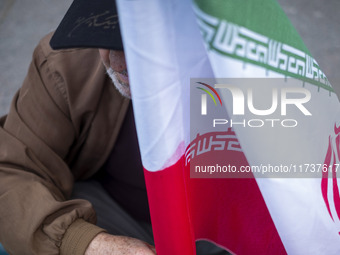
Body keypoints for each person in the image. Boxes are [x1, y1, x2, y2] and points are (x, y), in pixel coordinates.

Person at [0, 0, 228, 254]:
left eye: (141, 44)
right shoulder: (63, 63)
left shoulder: (247, 66)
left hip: (224, 228)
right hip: (112, 215)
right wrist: (90, 244)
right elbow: (11, 170)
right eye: (107, 36)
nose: (120, 64)